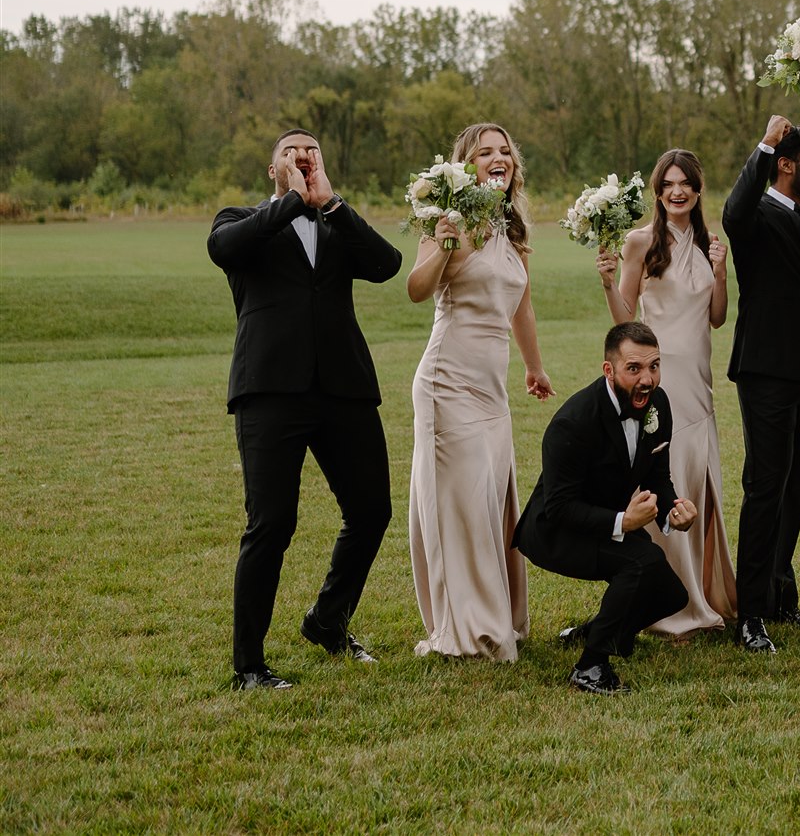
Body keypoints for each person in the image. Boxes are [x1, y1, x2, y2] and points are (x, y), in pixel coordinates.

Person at [208, 128, 404, 690]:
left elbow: (386, 264)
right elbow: (224, 251)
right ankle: (249, 664)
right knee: (271, 523)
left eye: (313, 151)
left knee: (371, 512)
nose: (303, 157)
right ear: (274, 169)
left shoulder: (335, 221)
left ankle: (327, 622)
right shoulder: (239, 220)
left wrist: (331, 203)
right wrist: (292, 201)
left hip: (343, 388)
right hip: (270, 391)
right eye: (291, 152)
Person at [404, 122, 553, 661]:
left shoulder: (512, 228)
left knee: (491, 500)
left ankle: (496, 616)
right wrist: (443, 245)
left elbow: (523, 306)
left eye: (505, 151)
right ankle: (466, 627)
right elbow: (417, 290)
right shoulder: (448, 219)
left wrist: (534, 368)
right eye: (485, 152)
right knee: (461, 502)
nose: (499, 158)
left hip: (493, 389)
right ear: (465, 165)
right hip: (448, 380)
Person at [596, 148, 737, 638]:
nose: (677, 192)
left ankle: (706, 592)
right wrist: (609, 283)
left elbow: (717, 317)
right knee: (667, 476)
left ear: (698, 190)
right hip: (659, 379)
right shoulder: (640, 242)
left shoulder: (708, 242)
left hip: (699, 379)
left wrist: (720, 273)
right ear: (658, 192)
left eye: (686, 184)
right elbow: (626, 320)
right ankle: (670, 602)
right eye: (668, 184)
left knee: (697, 479)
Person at [514, 321, 698, 695]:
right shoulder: (572, 422)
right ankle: (590, 666)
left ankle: (594, 630)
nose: (647, 379)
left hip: (606, 524)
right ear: (608, 370)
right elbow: (560, 507)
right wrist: (623, 521)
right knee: (642, 563)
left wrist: (672, 511)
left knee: (672, 595)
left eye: (654, 366)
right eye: (634, 368)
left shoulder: (657, 405)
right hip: (555, 532)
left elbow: (657, 477)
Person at [722, 113, 800, 653]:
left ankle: (781, 597)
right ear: (787, 165)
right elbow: (732, 211)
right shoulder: (757, 215)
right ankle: (750, 616)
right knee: (765, 489)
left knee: (796, 490)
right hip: (766, 371)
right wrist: (764, 143)